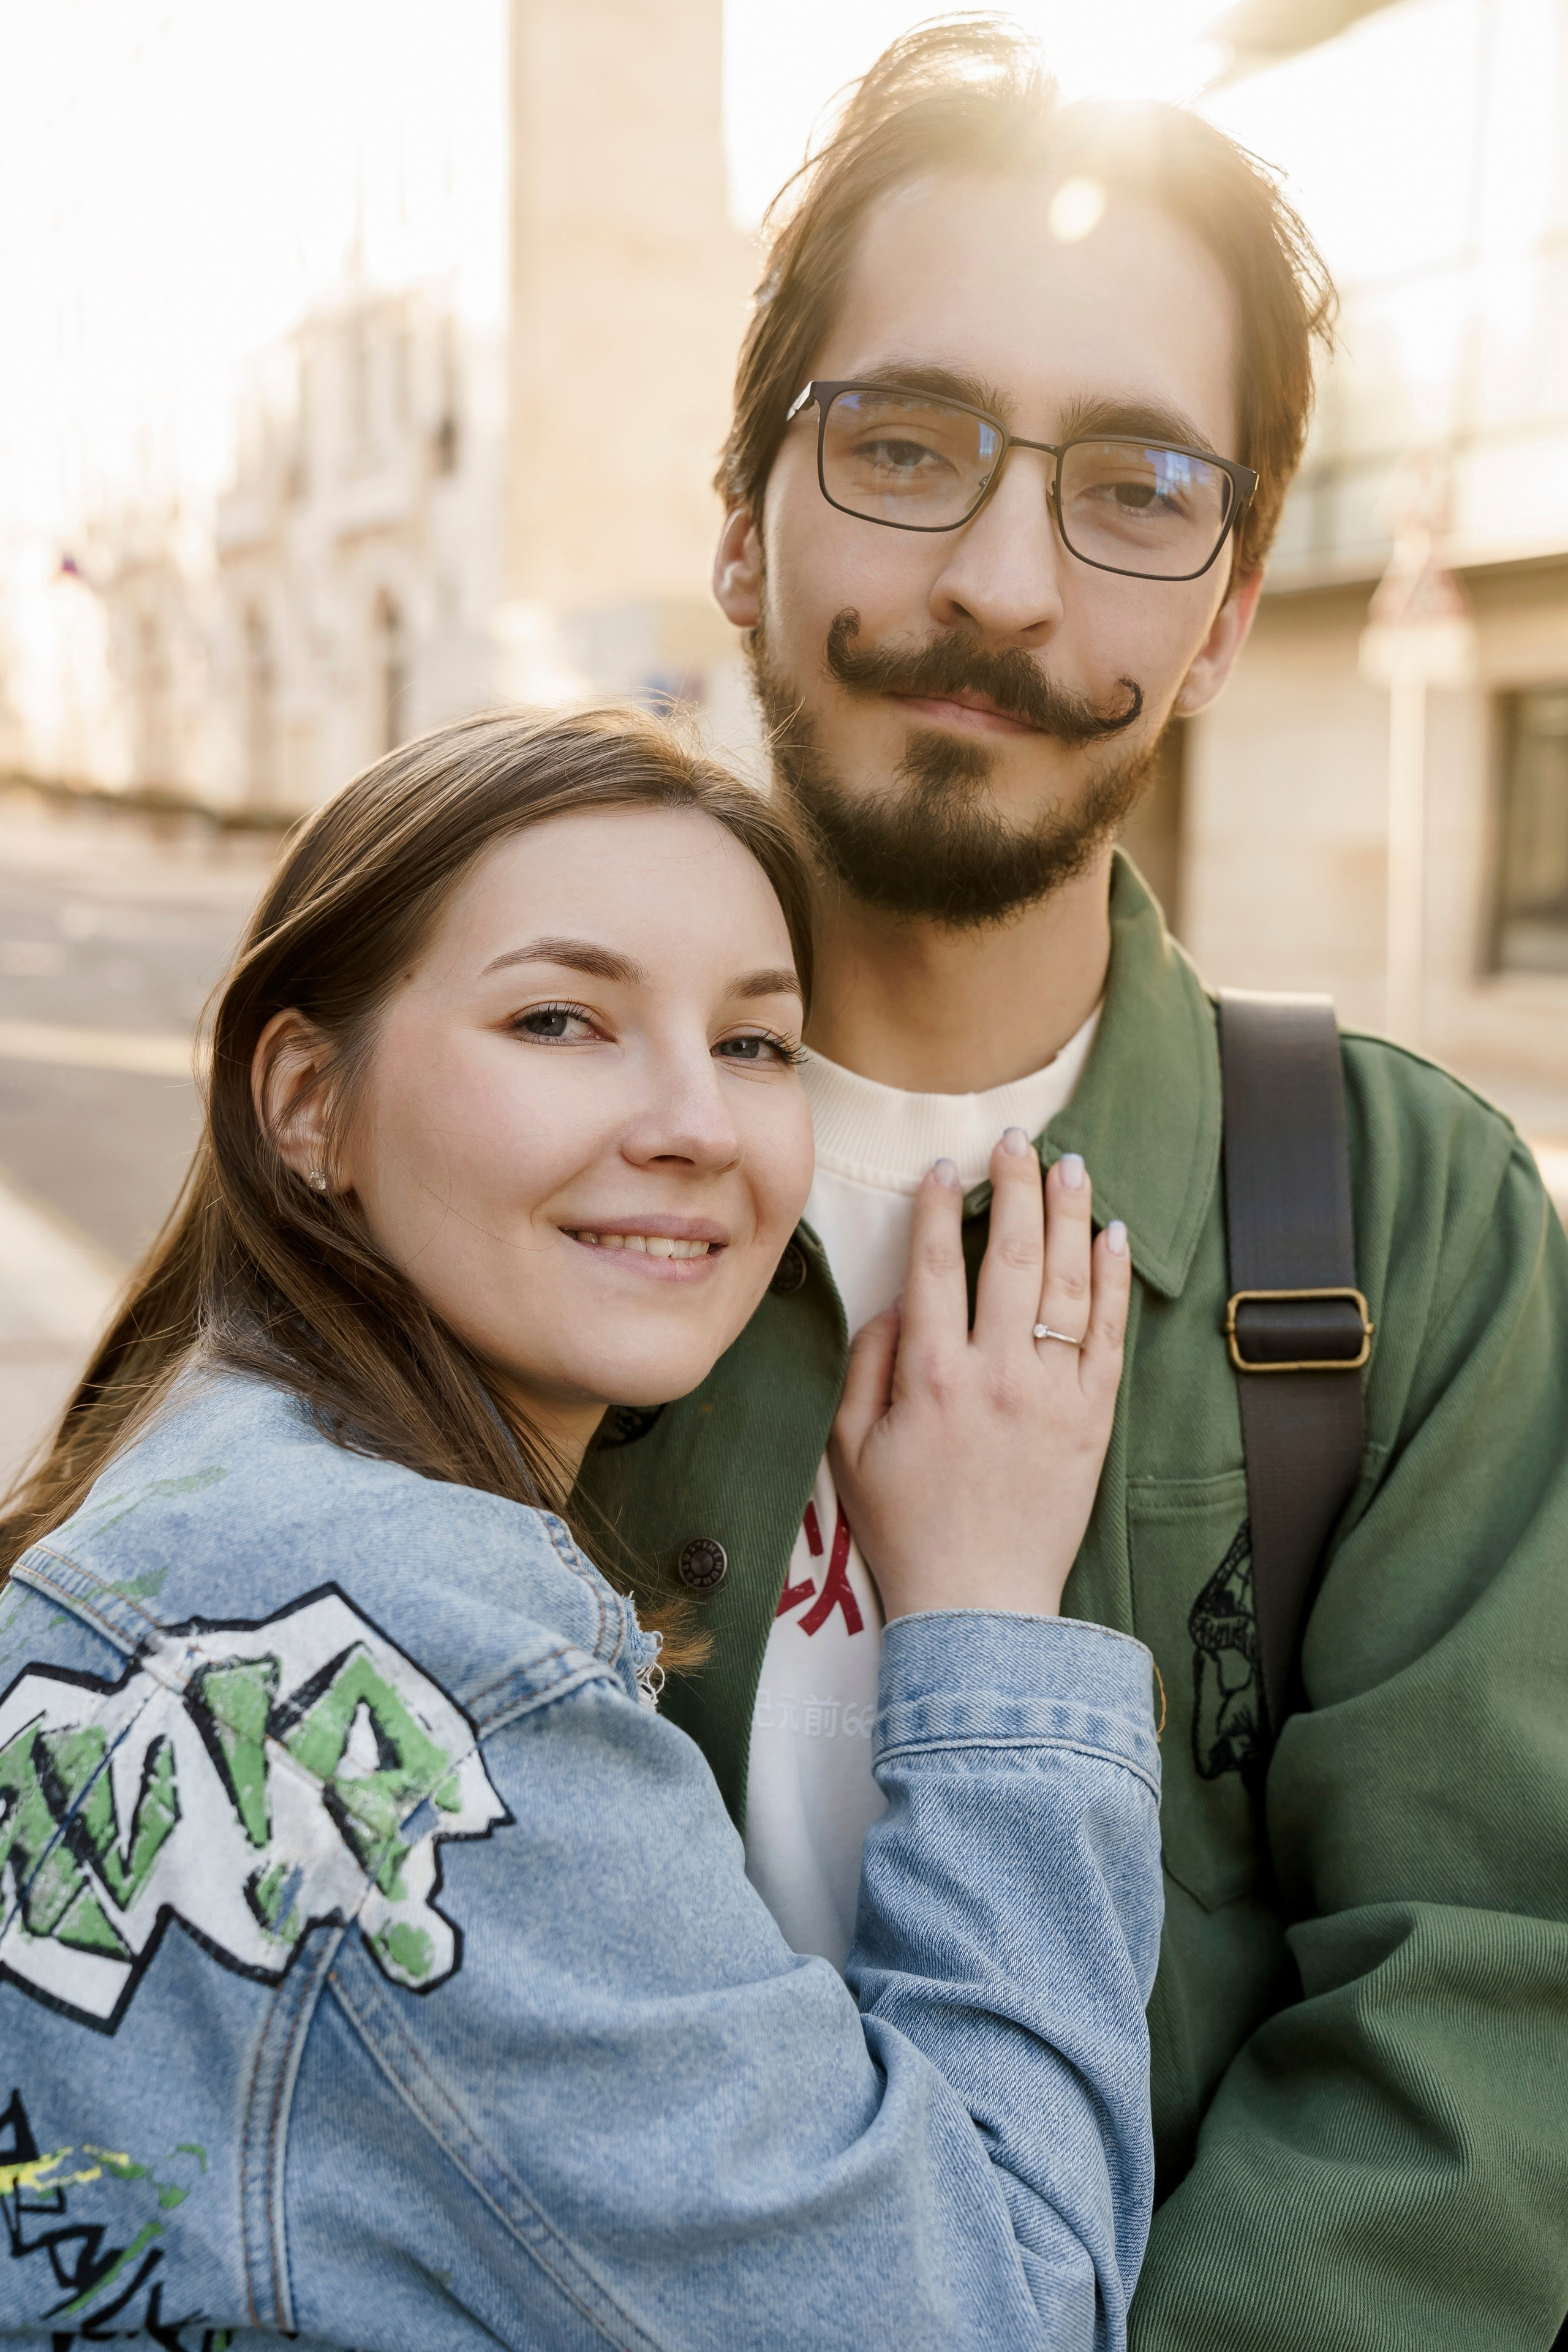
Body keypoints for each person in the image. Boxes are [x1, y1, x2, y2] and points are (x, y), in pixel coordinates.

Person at [576, 23, 1568, 2350]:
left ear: (1224, 612)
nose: (1007, 586)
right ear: (742, 524)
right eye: (904, 448)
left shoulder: (1407, 1224)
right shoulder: (470, 1153)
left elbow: (1489, 2019)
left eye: (1135, 489)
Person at [0, 705, 1159, 2351]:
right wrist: (986, 1612)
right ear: (308, 1102)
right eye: (561, 1019)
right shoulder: (407, 1652)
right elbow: (991, 2314)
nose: (694, 1119)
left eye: (759, 1045)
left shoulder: (198, 1508)